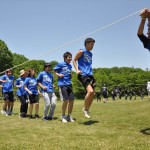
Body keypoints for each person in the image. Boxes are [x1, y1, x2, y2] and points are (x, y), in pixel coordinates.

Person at [73, 38, 96, 119]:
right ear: (86, 43)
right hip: (82, 74)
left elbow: (88, 65)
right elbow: (74, 60)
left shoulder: (91, 54)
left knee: (93, 94)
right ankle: (85, 109)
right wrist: (77, 70)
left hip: (90, 75)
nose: (93, 46)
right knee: (90, 91)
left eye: (93, 44)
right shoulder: (81, 51)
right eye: (91, 44)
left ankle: (87, 109)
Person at [54, 52, 75, 123]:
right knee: (66, 100)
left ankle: (69, 116)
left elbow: (70, 73)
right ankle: (63, 116)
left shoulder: (70, 66)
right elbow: (54, 70)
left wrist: (71, 75)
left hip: (69, 84)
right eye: (69, 57)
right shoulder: (60, 64)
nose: (70, 58)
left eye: (71, 57)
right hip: (62, 84)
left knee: (71, 101)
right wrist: (58, 75)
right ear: (65, 58)